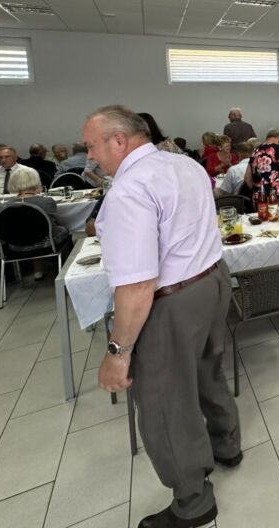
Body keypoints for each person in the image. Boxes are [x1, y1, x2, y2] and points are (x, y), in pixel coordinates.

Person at [84, 105, 239, 528]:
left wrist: (117, 353)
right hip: (212, 279)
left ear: (119, 140)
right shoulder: (183, 163)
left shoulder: (129, 189)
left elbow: (137, 285)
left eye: (92, 146)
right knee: (208, 370)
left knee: (163, 402)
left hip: (173, 299)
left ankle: (193, 501)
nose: (90, 156)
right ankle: (226, 444)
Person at [4, 168, 70, 279]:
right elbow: (55, 222)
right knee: (64, 229)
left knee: (30, 232)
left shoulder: (7, 205)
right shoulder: (46, 201)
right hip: (46, 243)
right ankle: (66, 266)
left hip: (17, 246)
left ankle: (38, 269)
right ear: (35, 181)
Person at [244, 129, 279, 199]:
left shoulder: (255, 151)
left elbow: (247, 178)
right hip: (275, 194)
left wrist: (256, 190)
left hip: (258, 195)